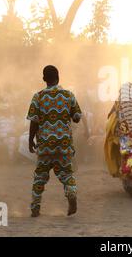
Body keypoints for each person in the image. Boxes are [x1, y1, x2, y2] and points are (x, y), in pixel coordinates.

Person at [27, 65, 82, 217]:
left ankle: (35, 207)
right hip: (63, 145)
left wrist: (30, 140)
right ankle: (71, 193)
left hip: (45, 145)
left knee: (40, 177)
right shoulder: (68, 95)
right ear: (59, 77)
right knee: (67, 175)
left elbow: (34, 121)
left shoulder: (38, 97)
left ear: (44, 79)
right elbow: (77, 117)